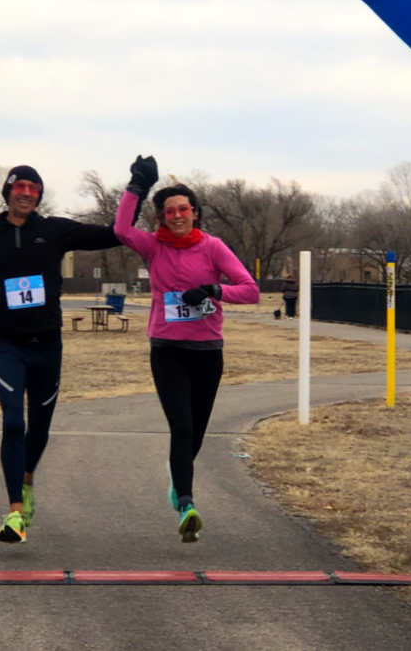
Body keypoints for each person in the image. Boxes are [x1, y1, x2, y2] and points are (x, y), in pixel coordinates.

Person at [0, 165, 121, 543]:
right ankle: (14, 515)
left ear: (39, 194)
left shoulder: (54, 230)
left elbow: (113, 233)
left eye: (34, 188)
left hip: (48, 345)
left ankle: (26, 483)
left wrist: (137, 188)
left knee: (39, 429)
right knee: (13, 424)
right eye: (19, 187)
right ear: (7, 192)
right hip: (8, 344)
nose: (26, 193)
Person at [114, 155, 259, 542]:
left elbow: (251, 290)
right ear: (161, 218)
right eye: (169, 211)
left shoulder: (213, 248)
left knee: (195, 433)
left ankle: (177, 482)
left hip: (208, 352)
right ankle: (187, 505)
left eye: (183, 209)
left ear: (194, 213)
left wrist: (214, 290)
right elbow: (121, 228)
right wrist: (136, 187)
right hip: (168, 349)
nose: (177, 216)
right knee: (181, 428)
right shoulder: (153, 247)